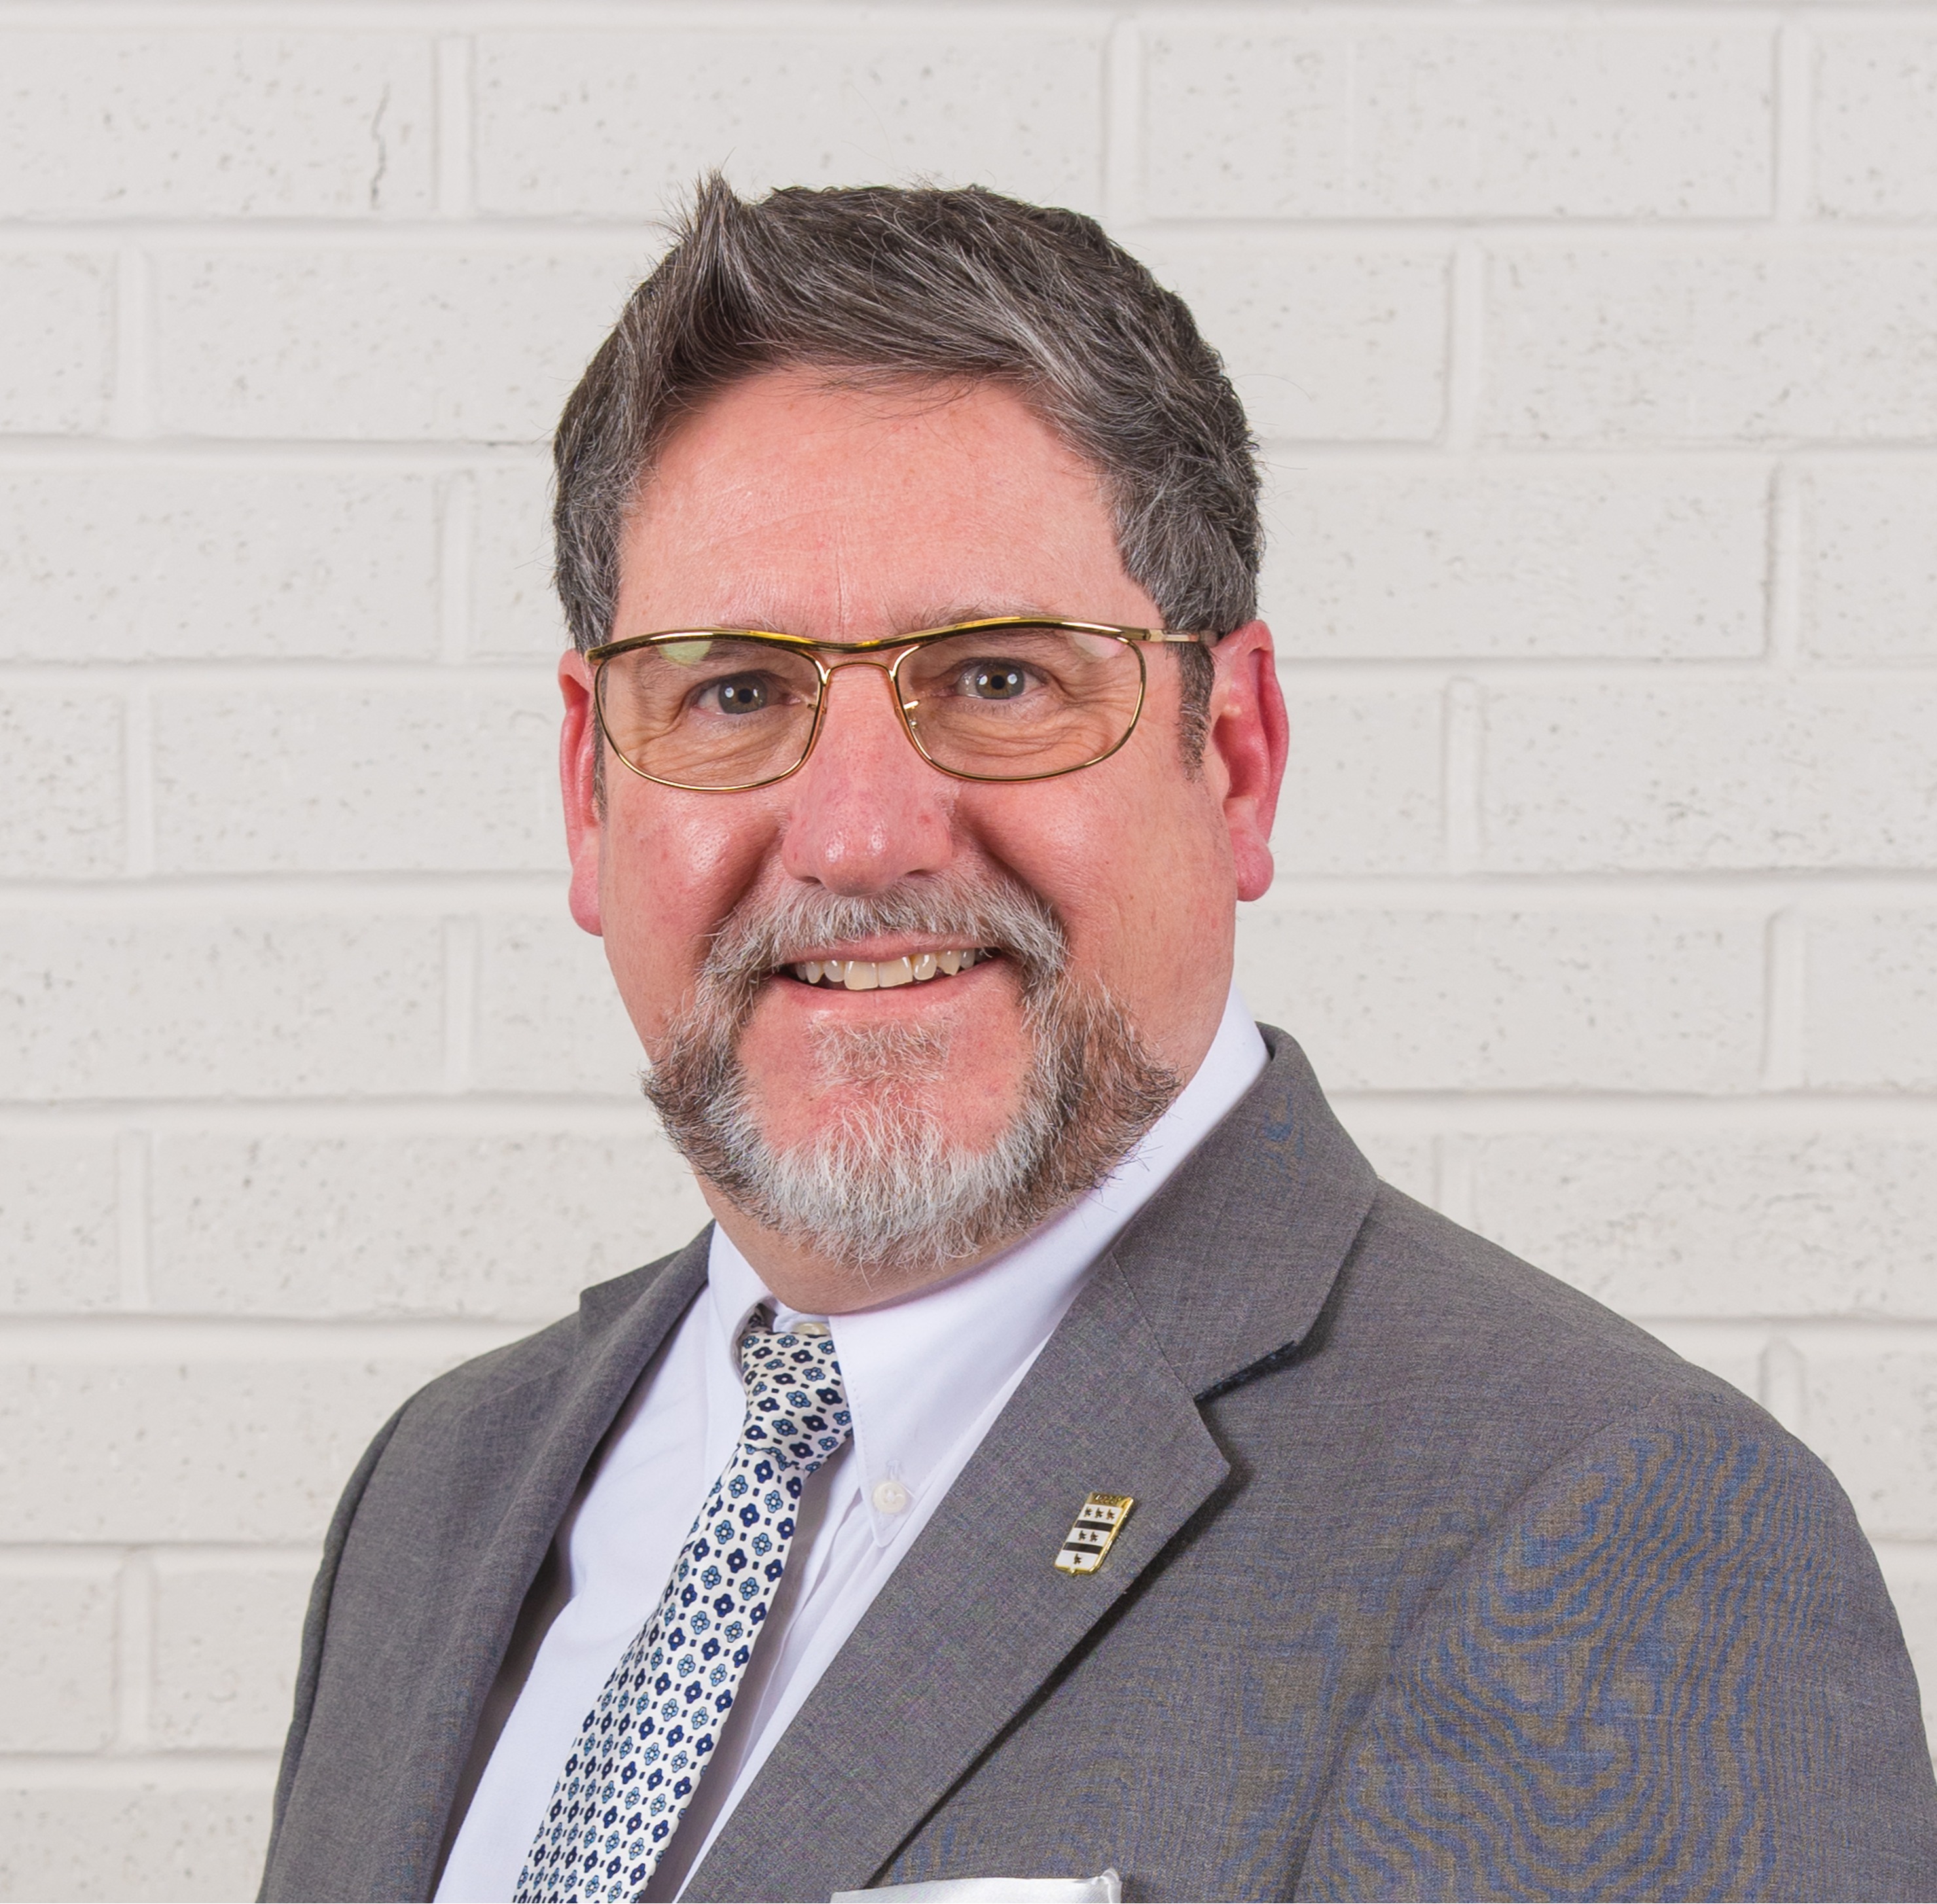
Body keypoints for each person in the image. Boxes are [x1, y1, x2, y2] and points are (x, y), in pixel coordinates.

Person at [260, 177, 1937, 1904]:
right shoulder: (444, 1491)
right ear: (587, 786)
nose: (860, 837)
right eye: (735, 691)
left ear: (1242, 758)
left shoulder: (1612, 1545)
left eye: (998, 679)